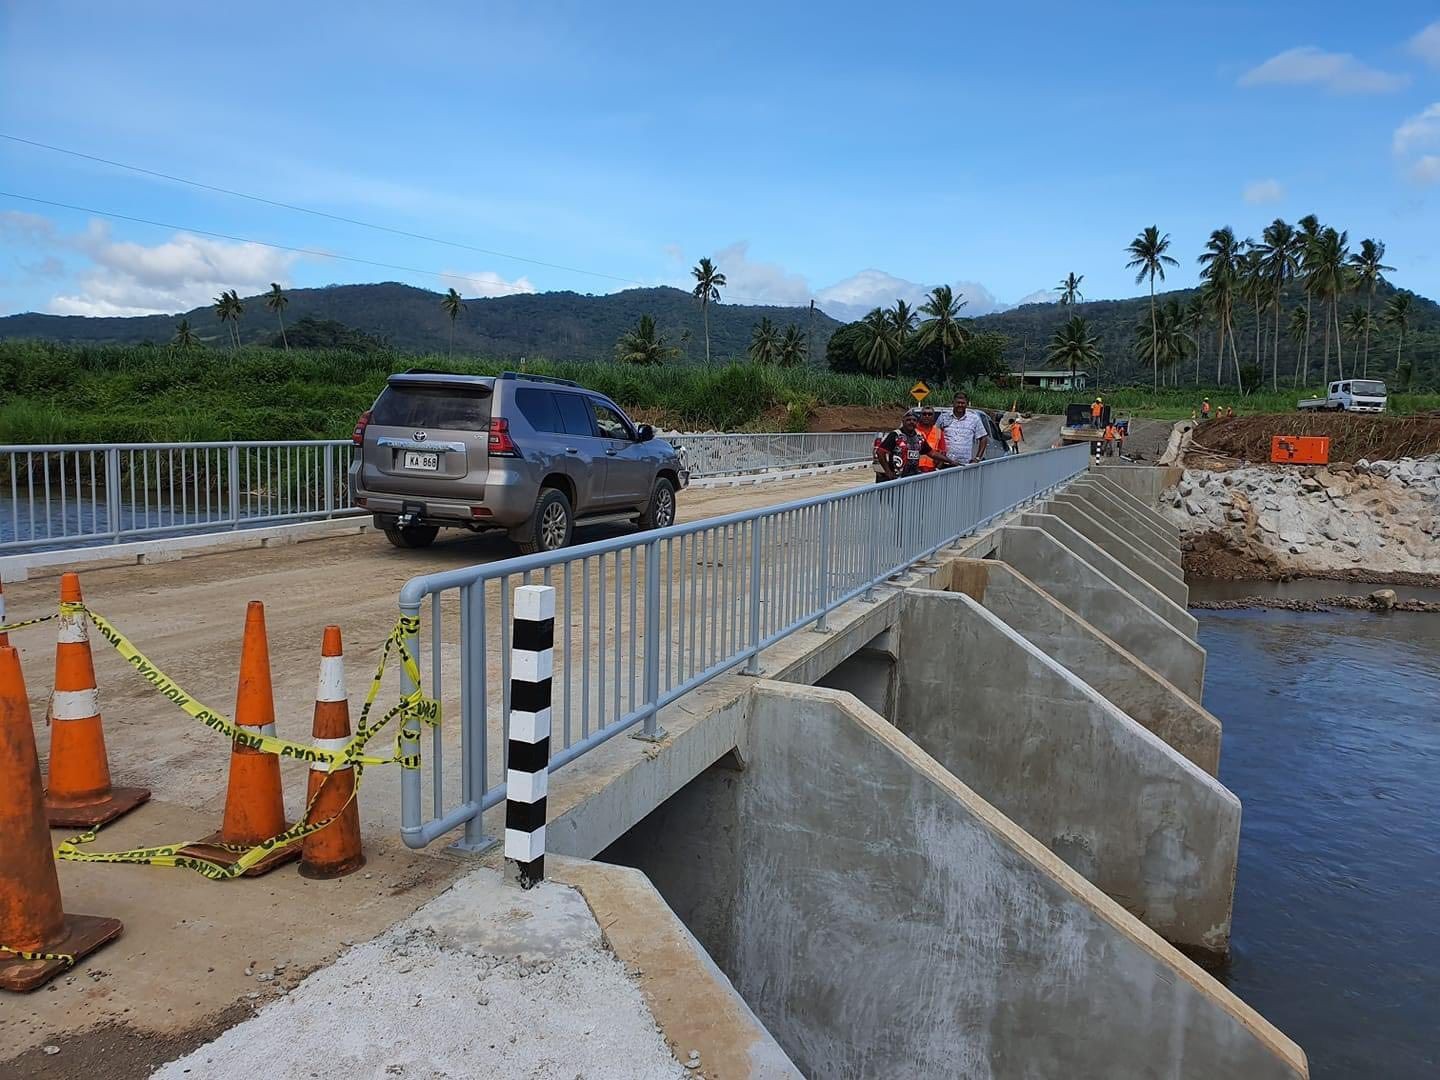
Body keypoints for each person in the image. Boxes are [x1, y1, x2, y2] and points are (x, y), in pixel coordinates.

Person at [935, 392, 989, 464]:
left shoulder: (974, 419)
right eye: (958, 403)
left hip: (964, 465)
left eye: (963, 403)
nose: (960, 405)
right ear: (953, 403)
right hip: (944, 463)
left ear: (966, 404)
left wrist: (977, 458)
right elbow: (935, 436)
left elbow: (983, 438)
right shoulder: (943, 417)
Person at [875, 411, 923, 482]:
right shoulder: (895, 435)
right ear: (903, 421)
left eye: (914, 420)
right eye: (908, 420)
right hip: (897, 478)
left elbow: (931, 453)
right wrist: (888, 472)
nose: (911, 422)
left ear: (917, 423)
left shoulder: (919, 437)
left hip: (913, 476)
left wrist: (945, 459)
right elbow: (880, 452)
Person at [914, 406, 949, 472]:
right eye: (924, 414)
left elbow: (943, 452)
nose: (927, 416)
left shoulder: (938, 432)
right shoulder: (913, 430)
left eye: (929, 414)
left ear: (933, 417)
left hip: (931, 470)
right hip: (914, 470)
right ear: (920, 416)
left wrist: (938, 468)